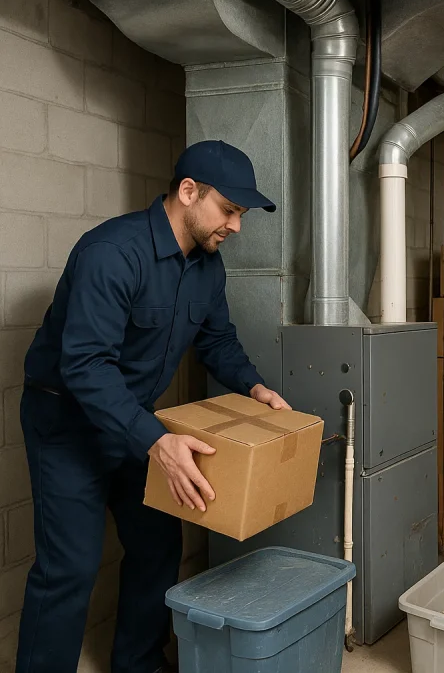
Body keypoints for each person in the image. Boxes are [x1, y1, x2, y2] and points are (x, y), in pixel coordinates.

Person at [16, 140, 290, 673]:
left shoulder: (208, 268)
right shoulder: (111, 253)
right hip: (66, 420)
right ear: (188, 192)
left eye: (241, 214)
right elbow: (86, 366)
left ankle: (137, 663)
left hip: (132, 420)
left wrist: (254, 387)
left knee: (158, 541)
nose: (236, 226)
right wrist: (156, 441)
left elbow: (218, 342)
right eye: (229, 210)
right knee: (69, 567)